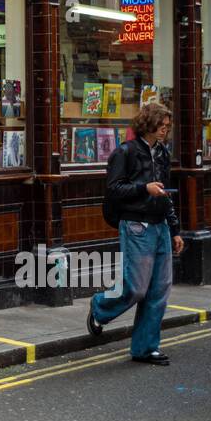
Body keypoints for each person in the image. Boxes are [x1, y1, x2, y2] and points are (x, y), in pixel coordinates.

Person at [87, 101, 184, 365]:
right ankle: (100, 307)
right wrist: (144, 189)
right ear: (148, 124)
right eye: (161, 125)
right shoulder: (125, 153)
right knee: (137, 288)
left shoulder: (162, 153)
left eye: (167, 126)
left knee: (159, 290)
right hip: (136, 225)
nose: (165, 130)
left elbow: (167, 195)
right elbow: (114, 189)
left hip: (160, 225)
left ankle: (145, 348)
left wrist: (175, 229)